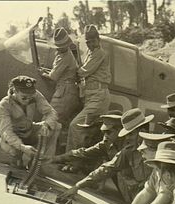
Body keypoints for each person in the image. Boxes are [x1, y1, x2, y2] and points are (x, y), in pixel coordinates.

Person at [59, 108, 153, 204]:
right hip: (143, 203)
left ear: (142, 131)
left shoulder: (161, 150)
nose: (127, 138)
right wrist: (78, 186)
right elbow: (107, 168)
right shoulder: (128, 151)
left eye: (131, 134)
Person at [111, 132, 175, 204]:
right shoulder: (158, 171)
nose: (141, 154)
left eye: (144, 151)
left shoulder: (169, 175)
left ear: (157, 152)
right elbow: (144, 195)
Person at [0, 75, 59, 169]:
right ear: (15, 91)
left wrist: (47, 124)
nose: (28, 99)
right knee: (16, 159)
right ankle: (16, 157)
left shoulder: (35, 94)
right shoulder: (4, 105)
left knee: (57, 126)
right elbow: (6, 132)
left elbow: (51, 112)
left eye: (30, 97)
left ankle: (39, 162)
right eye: (24, 97)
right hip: (12, 136)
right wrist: (22, 147)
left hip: (29, 131)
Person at [66, 24, 111, 152]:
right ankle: (76, 160)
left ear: (99, 40)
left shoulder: (100, 53)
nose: (90, 44)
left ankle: (72, 160)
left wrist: (68, 70)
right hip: (91, 96)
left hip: (98, 96)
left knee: (75, 126)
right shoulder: (90, 53)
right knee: (87, 131)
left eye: (93, 41)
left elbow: (83, 72)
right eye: (88, 42)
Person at [47, 110, 123, 174]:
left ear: (120, 130)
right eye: (104, 132)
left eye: (109, 132)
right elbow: (82, 153)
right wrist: (55, 159)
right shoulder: (106, 143)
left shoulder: (128, 147)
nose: (105, 136)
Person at [40, 27, 81, 128]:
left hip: (65, 92)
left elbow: (53, 76)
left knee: (50, 119)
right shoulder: (63, 54)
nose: (58, 48)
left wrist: (42, 73)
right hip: (66, 90)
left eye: (61, 46)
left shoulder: (65, 56)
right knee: (57, 121)